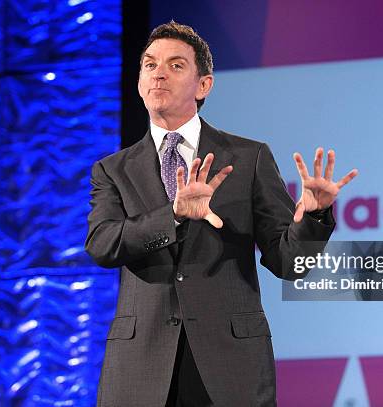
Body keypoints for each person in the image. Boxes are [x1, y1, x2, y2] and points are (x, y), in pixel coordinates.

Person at [85, 21, 358, 407]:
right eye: (149, 64)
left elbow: (290, 262)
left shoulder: (248, 158)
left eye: (176, 65)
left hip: (230, 366)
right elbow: (102, 244)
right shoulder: (113, 170)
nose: (158, 72)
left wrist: (314, 217)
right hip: (140, 367)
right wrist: (174, 215)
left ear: (204, 85)